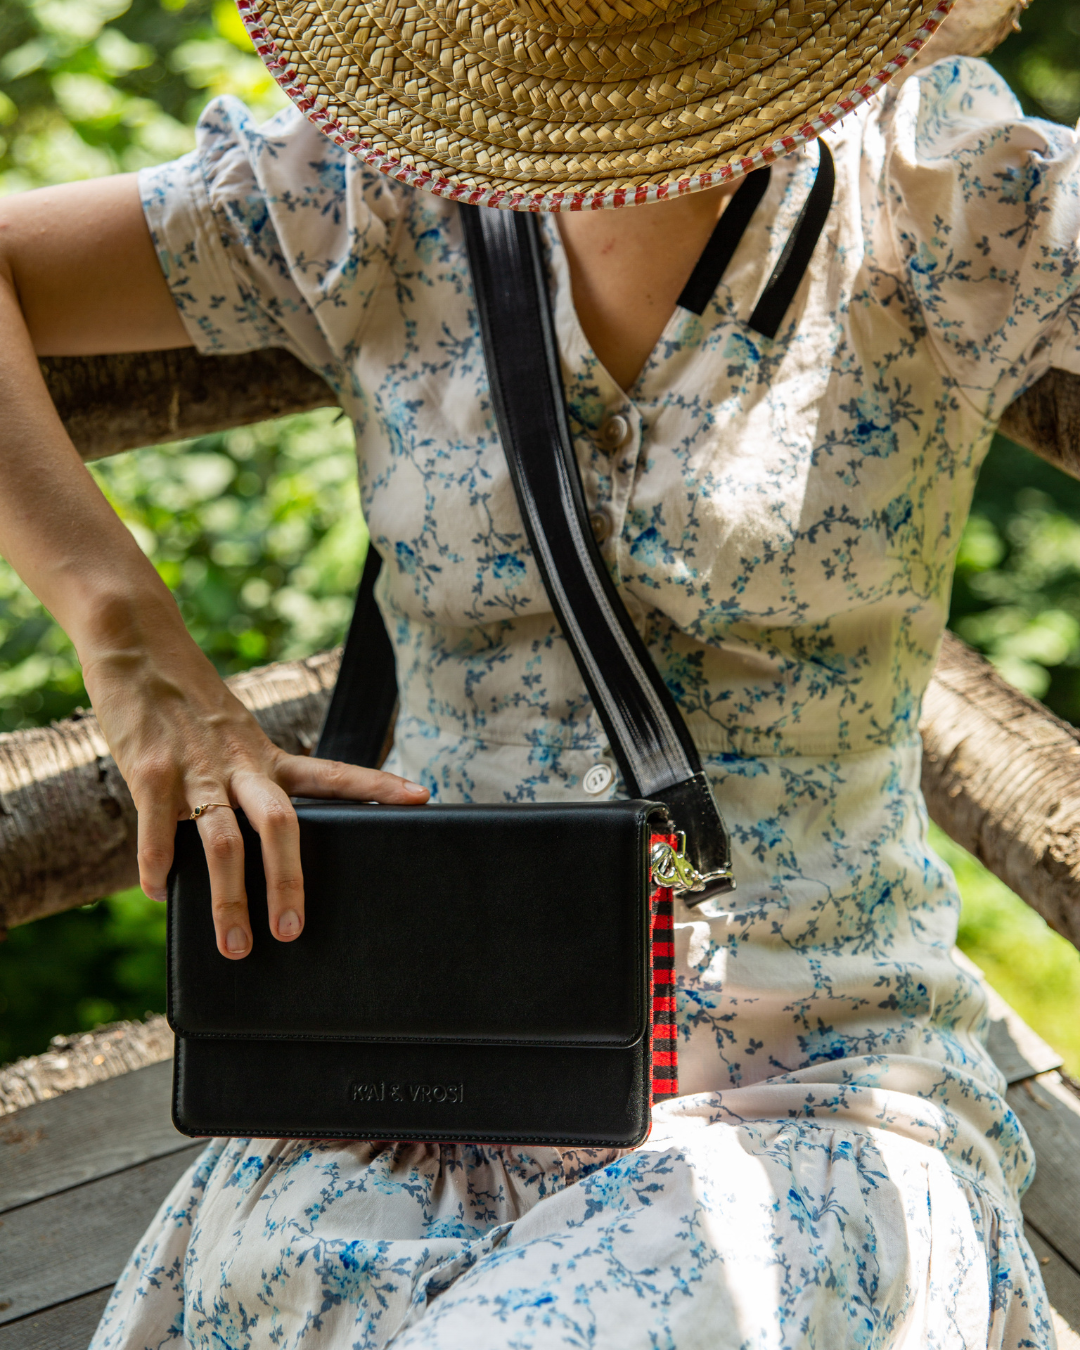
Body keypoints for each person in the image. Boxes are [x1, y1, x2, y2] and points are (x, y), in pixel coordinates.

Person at [0, 0, 1076, 1341]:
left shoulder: (955, 197)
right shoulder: (366, 195)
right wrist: (131, 644)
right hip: (419, 1087)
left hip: (809, 1087)